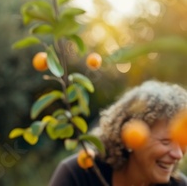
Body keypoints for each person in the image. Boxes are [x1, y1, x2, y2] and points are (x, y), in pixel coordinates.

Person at [49, 80, 187, 186]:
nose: (178, 154)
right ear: (128, 137)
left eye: (182, 142)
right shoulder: (79, 175)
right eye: (165, 142)